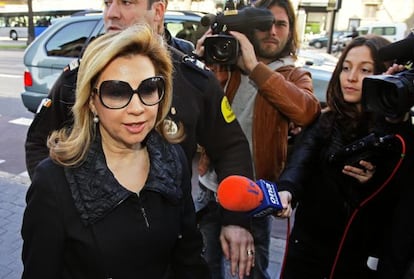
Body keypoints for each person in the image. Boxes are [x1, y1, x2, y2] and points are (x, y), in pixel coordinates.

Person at [24, 0, 256, 278]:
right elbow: (39, 144)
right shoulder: (76, 78)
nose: (111, 13)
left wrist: (236, 220)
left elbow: (231, 146)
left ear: (158, 10)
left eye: (126, 2)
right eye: (116, 93)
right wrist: (66, 204)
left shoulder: (194, 84)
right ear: (92, 100)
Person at [194, 0, 321, 278]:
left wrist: (254, 67)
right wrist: (200, 57)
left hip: (256, 194)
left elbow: (307, 111)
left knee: (250, 272)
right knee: (202, 268)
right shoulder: (227, 64)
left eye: (281, 24)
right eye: (264, 25)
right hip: (211, 186)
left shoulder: (293, 74)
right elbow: (196, 102)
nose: (272, 31)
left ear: (291, 32)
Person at [276, 35, 414, 278]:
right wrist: (286, 190)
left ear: (384, 74)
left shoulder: (395, 134)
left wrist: (372, 179)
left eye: (365, 70)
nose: (351, 78)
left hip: (356, 259)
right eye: (346, 68)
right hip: (306, 250)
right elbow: (301, 162)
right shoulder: (323, 121)